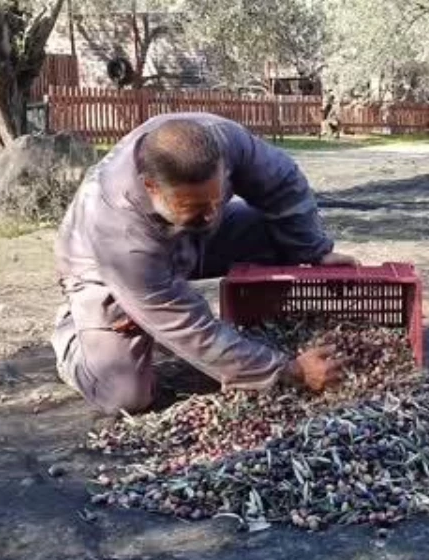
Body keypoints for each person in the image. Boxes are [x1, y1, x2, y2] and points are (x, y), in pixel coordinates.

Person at [51, 113, 357, 414]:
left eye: (216, 199)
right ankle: (72, 332)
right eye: (196, 206)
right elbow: (190, 329)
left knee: (281, 235)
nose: (211, 214)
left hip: (184, 240)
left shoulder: (223, 139)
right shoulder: (119, 230)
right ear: (151, 187)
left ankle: (152, 296)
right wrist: (290, 370)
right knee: (124, 395)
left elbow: (282, 183)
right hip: (104, 268)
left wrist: (313, 251)